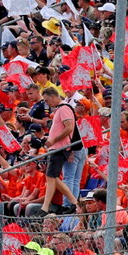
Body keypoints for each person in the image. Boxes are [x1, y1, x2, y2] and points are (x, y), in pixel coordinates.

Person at [41, 86, 82, 215]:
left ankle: (45, 207)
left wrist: (53, 140)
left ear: (53, 97)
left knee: (51, 177)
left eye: (47, 100)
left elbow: (69, 128)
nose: (47, 103)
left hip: (59, 148)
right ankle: (74, 202)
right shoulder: (60, 109)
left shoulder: (64, 108)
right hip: (56, 147)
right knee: (52, 177)